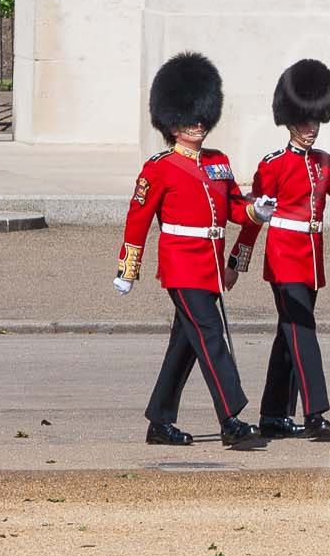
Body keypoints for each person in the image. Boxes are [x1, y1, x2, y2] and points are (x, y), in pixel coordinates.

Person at [116, 52, 272, 447]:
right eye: (189, 117)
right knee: (210, 335)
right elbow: (139, 219)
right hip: (181, 264)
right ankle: (231, 417)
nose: (198, 124)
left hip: (212, 264)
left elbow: (234, 207)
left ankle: (160, 421)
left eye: (202, 115)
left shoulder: (218, 163)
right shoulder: (159, 168)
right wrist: (128, 268)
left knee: (184, 346)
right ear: (172, 122)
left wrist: (256, 209)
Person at [229, 59, 330, 441]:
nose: (311, 130)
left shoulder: (324, 163)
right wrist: (236, 261)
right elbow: (254, 216)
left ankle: (274, 414)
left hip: (311, 259)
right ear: (290, 121)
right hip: (283, 258)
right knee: (303, 330)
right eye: (304, 122)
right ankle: (315, 411)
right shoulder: (273, 165)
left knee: (288, 335)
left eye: (315, 122)